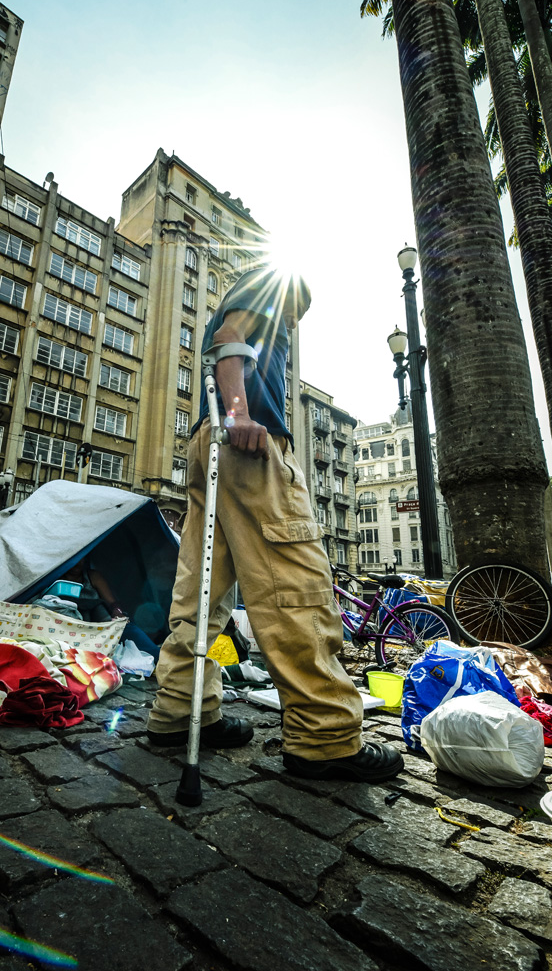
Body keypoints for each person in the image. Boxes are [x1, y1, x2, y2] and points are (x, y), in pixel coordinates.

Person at [147, 266, 403, 782]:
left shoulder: (248, 304)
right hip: (248, 445)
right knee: (296, 585)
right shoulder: (272, 285)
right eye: (297, 311)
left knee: (201, 591)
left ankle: (179, 710)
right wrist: (239, 413)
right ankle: (324, 734)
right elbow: (229, 338)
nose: (293, 320)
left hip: (210, 444)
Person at [62, 558, 161, 663]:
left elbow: (112, 603)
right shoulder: (55, 578)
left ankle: (161, 659)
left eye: (80, 559)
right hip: (72, 625)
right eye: (74, 560)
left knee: (128, 630)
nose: (77, 563)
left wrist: (117, 612)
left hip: (100, 622)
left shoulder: (92, 576)